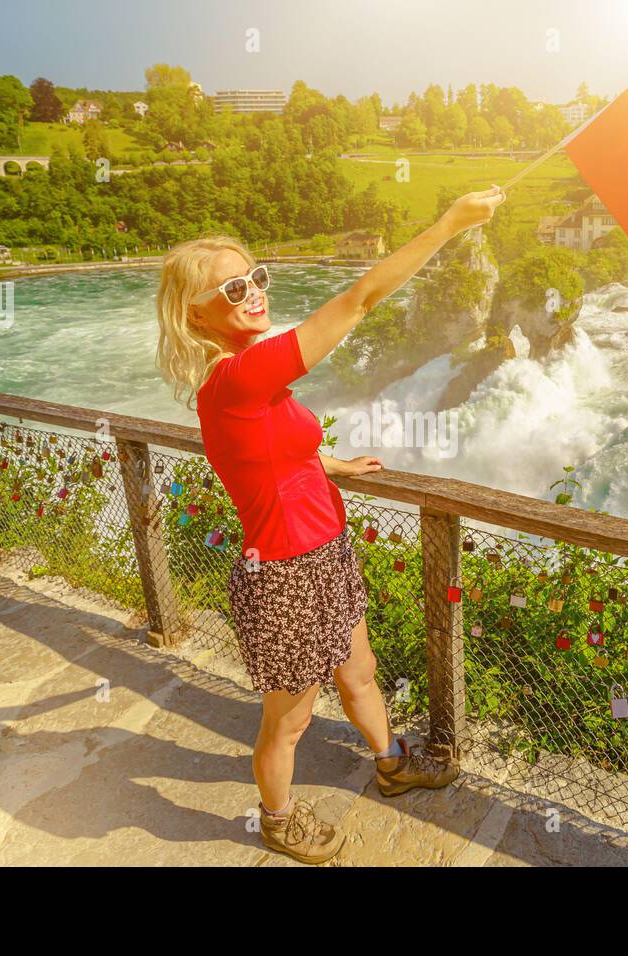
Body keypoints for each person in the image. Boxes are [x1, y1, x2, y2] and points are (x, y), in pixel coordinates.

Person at [155, 186, 506, 863]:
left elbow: (273, 441)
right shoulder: (238, 377)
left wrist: (328, 460)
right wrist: (448, 223)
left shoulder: (251, 387)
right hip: (286, 573)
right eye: (230, 290)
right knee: (287, 722)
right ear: (194, 314)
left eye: (254, 278)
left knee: (361, 673)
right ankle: (278, 819)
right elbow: (360, 301)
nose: (251, 293)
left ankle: (393, 764)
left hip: (327, 554)